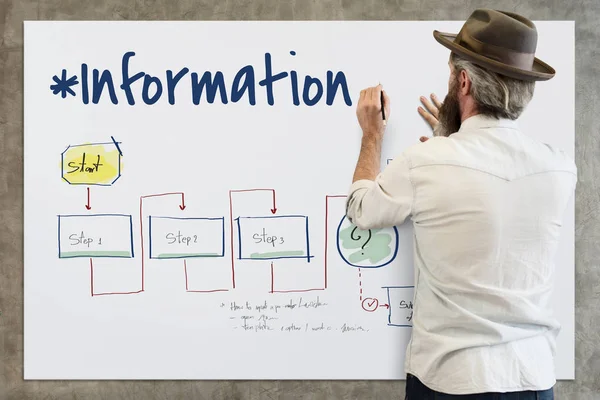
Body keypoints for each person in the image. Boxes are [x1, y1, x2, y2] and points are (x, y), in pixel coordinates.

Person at [346, 9, 577, 399]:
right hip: (533, 380)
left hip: (450, 382)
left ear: (464, 81)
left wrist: (372, 136)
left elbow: (362, 209)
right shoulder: (559, 168)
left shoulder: (427, 161)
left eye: (451, 74)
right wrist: (450, 138)